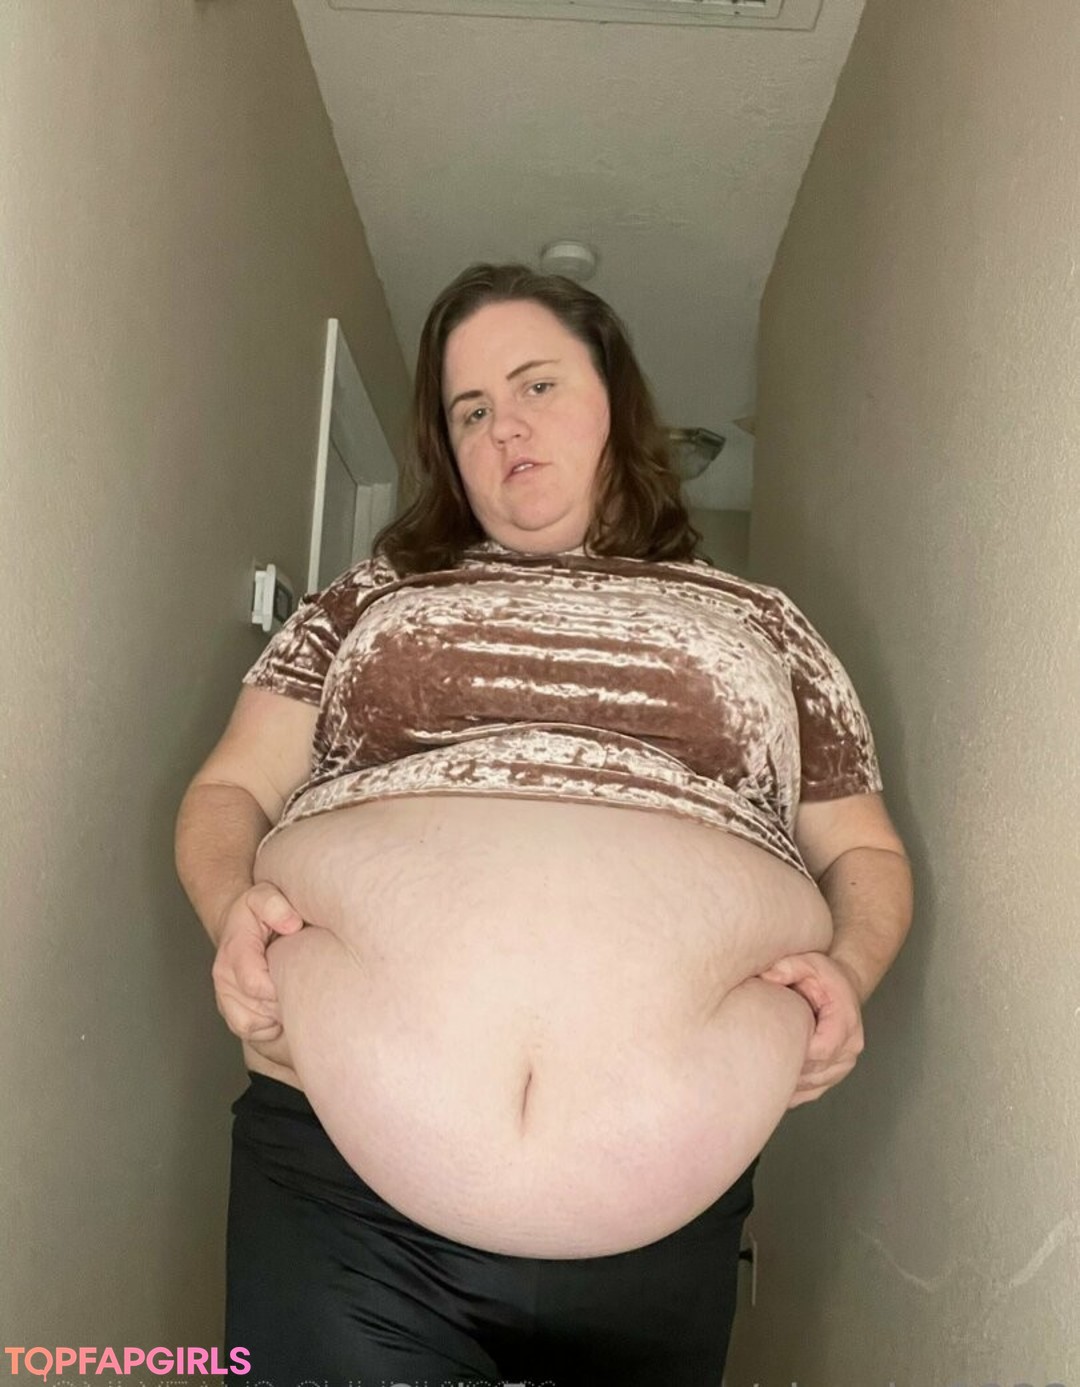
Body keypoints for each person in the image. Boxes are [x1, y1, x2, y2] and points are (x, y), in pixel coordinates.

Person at [175, 262, 913, 1387]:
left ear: (616, 399)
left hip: (671, 1207)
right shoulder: (368, 597)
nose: (504, 427)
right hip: (341, 1182)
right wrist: (229, 906)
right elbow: (230, 787)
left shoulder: (766, 621)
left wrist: (851, 971)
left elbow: (862, 850)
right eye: (470, 411)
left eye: (536, 385)